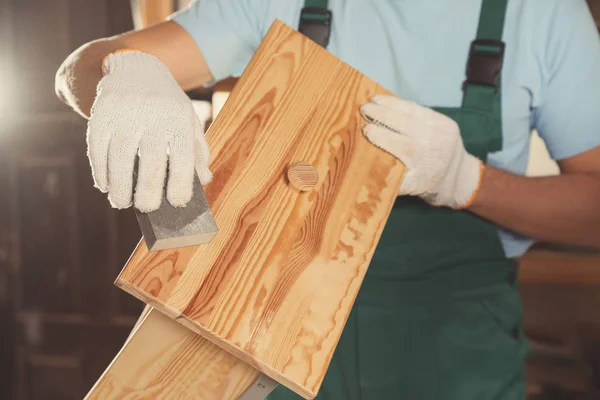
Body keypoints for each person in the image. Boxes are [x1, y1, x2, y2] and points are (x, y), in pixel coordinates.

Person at [55, 0, 600, 398]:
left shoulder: (546, 15)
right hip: (266, 332)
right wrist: (123, 73)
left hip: (454, 355)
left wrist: (467, 181)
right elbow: (79, 69)